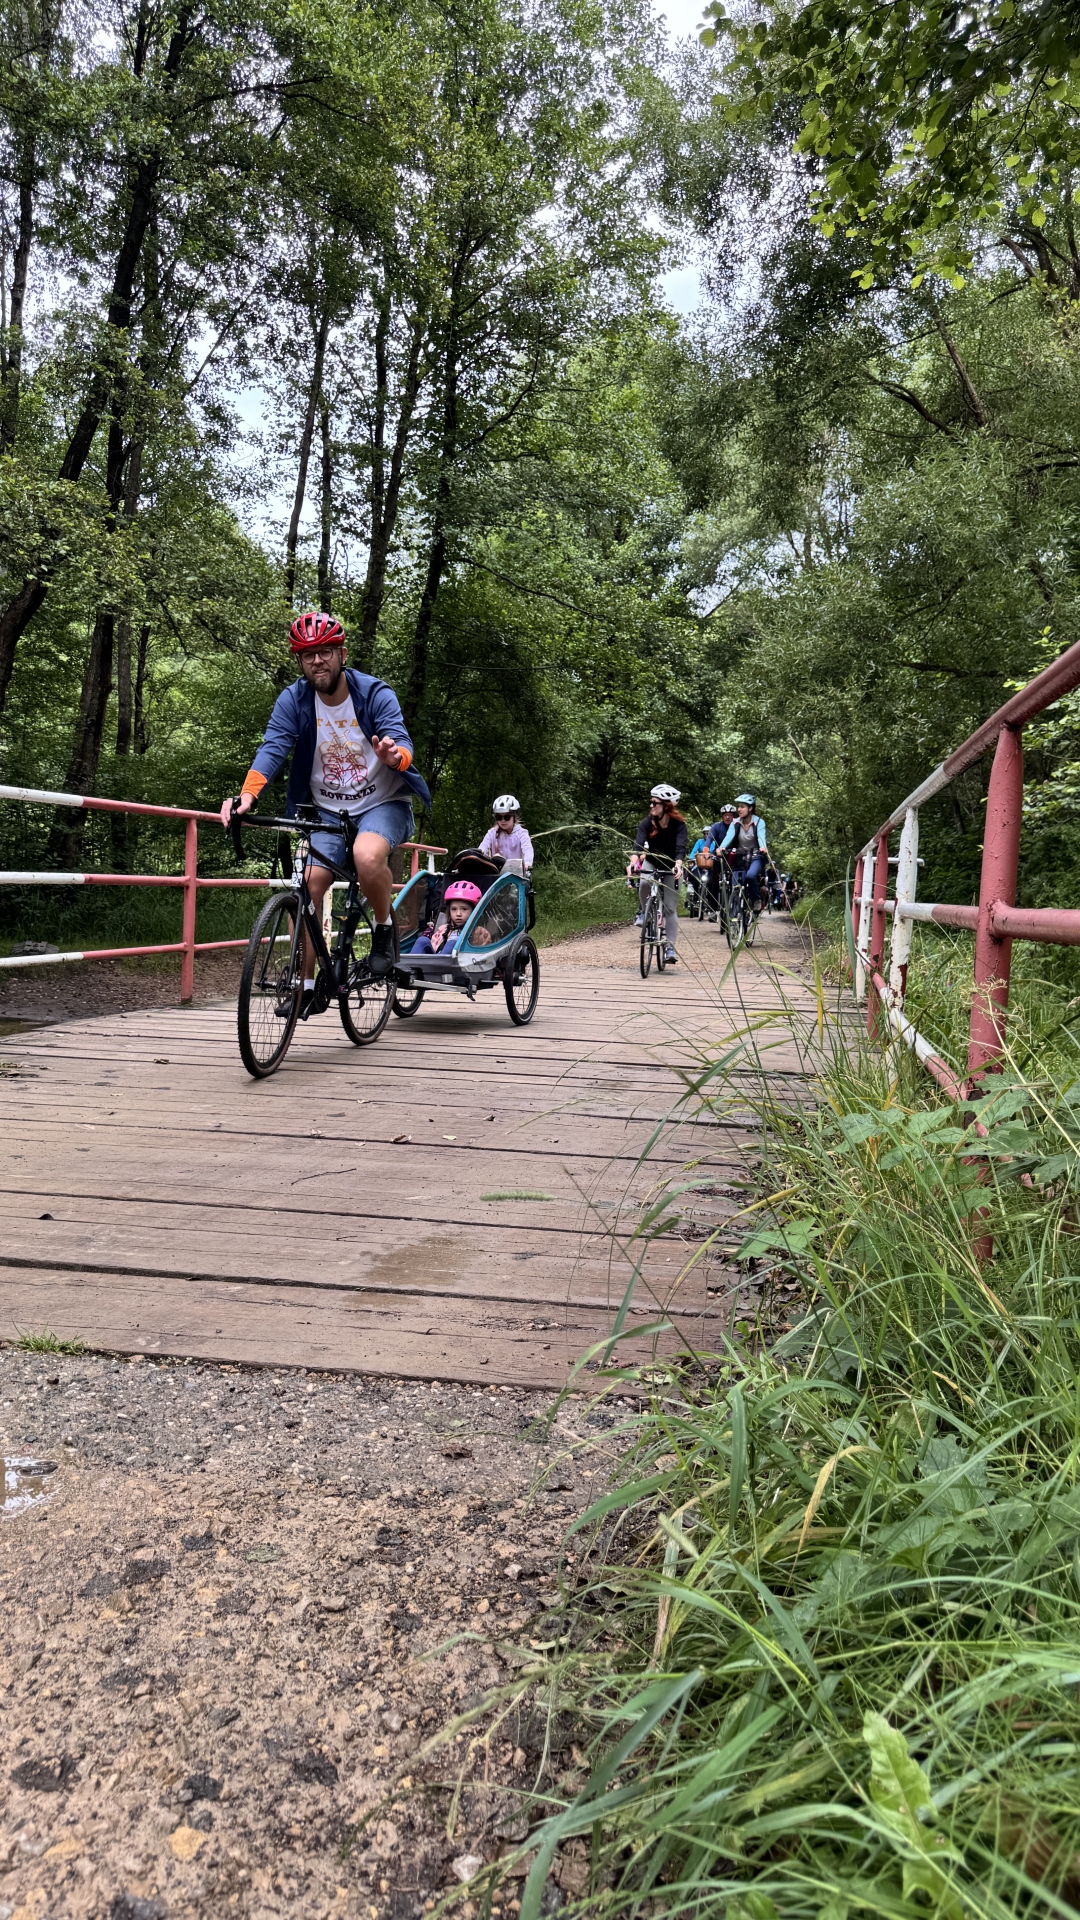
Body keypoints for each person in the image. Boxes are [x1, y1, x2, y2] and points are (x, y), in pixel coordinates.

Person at [220, 610, 431, 1009]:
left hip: (383, 803)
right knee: (308, 884)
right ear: (300, 662)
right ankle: (305, 986)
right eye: (308, 655)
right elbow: (273, 747)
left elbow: (400, 740)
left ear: (342, 654)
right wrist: (247, 796)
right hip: (327, 811)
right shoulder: (294, 700)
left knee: (365, 855)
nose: (317, 660)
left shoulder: (374, 693)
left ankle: (384, 929)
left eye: (326, 652)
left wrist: (395, 757)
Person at [627, 784, 686, 965]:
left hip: (671, 866)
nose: (651, 806)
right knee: (645, 882)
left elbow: (680, 849)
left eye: (655, 803)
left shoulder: (679, 825)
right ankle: (644, 912)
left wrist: (678, 865)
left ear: (666, 806)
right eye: (651, 802)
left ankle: (669, 947)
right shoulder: (647, 823)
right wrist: (632, 863)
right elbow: (638, 846)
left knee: (670, 908)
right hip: (652, 861)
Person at [719, 792, 769, 912]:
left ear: (750, 808)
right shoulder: (735, 822)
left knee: (750, 876)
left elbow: (761, 837)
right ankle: (735, 910)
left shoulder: (759, 822)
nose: (739, 809)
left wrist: (763, 847)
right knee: (734, 882)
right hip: (740, 856)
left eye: (742, 807)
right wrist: (721, 847)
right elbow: (729, 836)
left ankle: (756, 900)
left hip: (756, 856)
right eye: (738, 806)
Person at [410, 881, 492, 954]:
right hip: (436, 962)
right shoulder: (443, 929)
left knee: (451, 944)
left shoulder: (480, 933)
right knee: (422, 941)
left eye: (464, 909)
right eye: (454, 909)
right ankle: (410, 965)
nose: (458, 914)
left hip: (462, 964)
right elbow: (434, 951)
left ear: (474, 911)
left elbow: (484, 957)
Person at [480, 795, 534, 868]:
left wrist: (527, 863)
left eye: (507, 817)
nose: (503, 820)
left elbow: (527, 849)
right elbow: (482, 849)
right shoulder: (491, 833)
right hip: (497, 873)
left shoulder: (522, 833)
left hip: (518, 872)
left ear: (514, 817)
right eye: (499, 817)